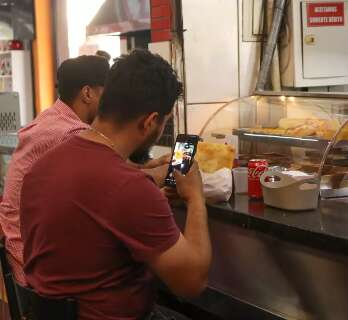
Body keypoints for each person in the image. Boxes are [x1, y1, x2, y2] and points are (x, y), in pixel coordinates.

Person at [20, 50, 212, 320]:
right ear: (149, 122)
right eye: (164, 122)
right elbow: (192, 281)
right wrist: (195, 196)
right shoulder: (129, 188)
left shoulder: (43, 164)